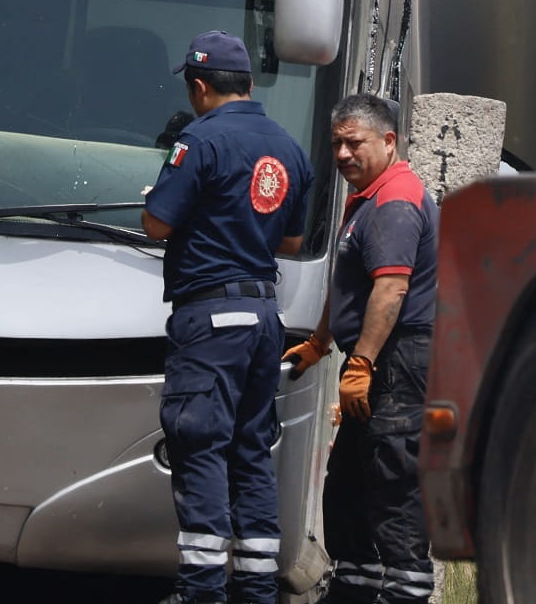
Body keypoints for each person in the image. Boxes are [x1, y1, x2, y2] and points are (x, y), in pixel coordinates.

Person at [141, 31, 312, 604]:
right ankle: (258, 590)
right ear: (250, 83)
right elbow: (290, 240)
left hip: (211, 314)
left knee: (200, 445)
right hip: (266, 313)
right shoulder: (289, 148)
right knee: (250, 447)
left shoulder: (199, 141)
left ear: (198, 86)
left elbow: (156, 225)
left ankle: (202, 590)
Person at [281, 94, 437, 604]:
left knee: (392, 484)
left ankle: (407, 592)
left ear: (389, 142)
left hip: (397, 362)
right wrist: (321, 341)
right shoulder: (369, 198)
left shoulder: (394, 200)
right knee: (347, 485)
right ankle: (354, 588)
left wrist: (363, 361)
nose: (344, 154)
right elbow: (350, 284)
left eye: (355, 143)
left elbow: (390, 290)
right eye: (336, 144)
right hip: (378, 360)